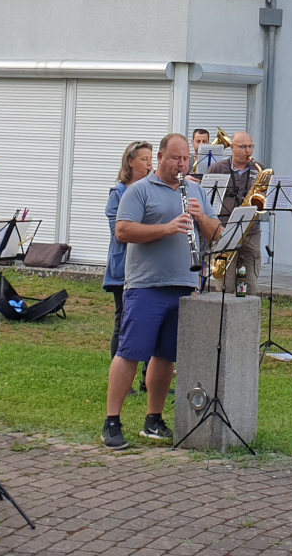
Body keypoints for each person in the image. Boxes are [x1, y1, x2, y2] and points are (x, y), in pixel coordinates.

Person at [102, 134, 219, 449]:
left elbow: (217, 234)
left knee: (166, 356)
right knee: (130, 352)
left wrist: (201, 218)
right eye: (175, 158)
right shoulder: (139, 190)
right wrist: (166, 229)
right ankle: (111, 421)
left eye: (186, 159)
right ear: (161, 158)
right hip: (146, 285)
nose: (182, 164)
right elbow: (123, 230)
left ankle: (153, 419)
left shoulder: (195, 190)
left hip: (184, 284)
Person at [106, 140, 154, 396]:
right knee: (123, 322)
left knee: (152, 322)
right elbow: (119, 231)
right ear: (130, 162)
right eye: (144, 160)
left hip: (149, 266)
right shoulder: (118, 192)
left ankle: (150, 379)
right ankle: (122, 382)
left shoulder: (154, 189)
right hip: (124, 267)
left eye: (151, 160)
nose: (149, 165)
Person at [204, 131, 264, 296]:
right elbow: (207, 201)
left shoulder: (259, 169)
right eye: (243, 147)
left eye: (250, 146)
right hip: (224, 229)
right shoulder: (217, 169)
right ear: (232, 147)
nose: (248, 151)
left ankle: (249, 309)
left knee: (251, 284)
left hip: (251, 230)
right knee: (227, 284)